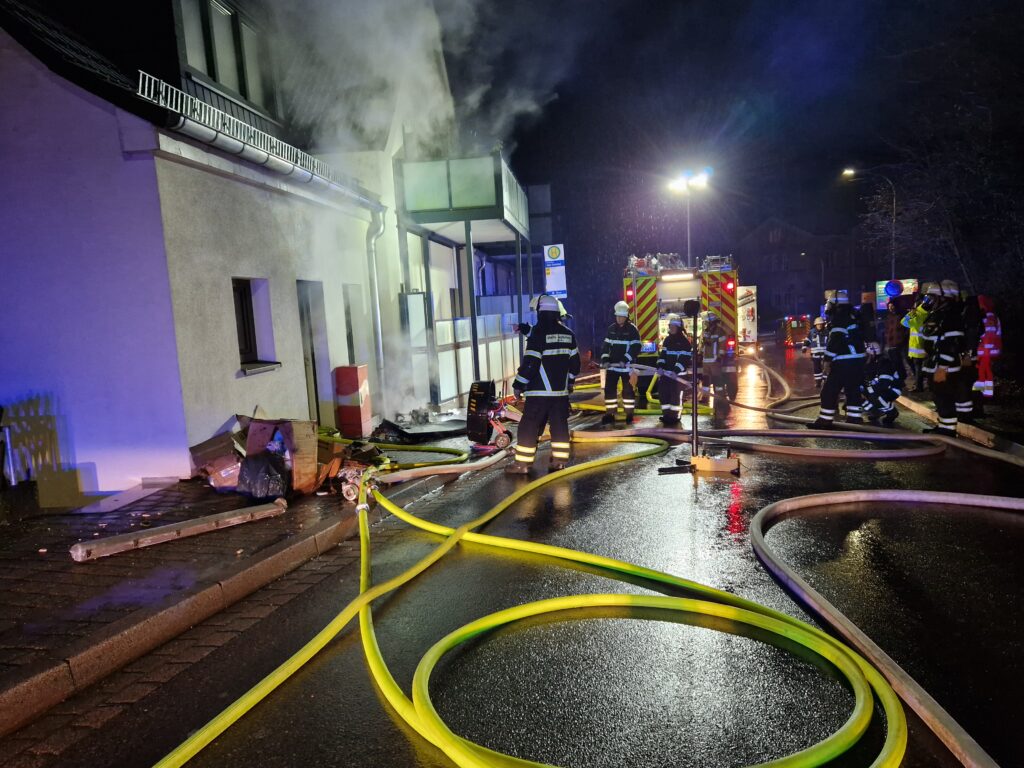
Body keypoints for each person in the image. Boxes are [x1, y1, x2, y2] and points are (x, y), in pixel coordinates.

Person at [507, 295, 580, 474]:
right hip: (560, 394)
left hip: (539, 394)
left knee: (529, 426)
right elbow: (575, 365)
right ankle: (559, 462)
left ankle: (522, 465)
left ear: (540, 312)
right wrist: (569, 382)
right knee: (560, 426)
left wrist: (518, 384)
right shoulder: (568, 334)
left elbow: (531, 364)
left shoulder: (538, 334)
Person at [808, 290, 867, 429]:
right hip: (857, 360)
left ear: (836, 304)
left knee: (829, 391)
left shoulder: (839, 318)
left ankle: (825, 420)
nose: (827, 306)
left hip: (844, 360)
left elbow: (835, 341)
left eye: (829, 303)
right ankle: (854, 418)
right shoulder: (852, 315)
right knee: (852, 390)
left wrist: (827, 360)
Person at [919, 279, 967, 437]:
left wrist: (942, 367)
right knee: (939, 398)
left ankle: (948, 431)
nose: (929, 301)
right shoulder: (939, 314)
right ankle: (944, 427)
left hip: (943, 367)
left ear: (942, 297)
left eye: (932, 297)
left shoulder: (950, 316)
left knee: (945, 398)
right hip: (935, 363)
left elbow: (951, 343)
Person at [600, 300, 641, 425]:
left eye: (621, 316)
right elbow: (606, 346)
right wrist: (605, 359)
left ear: (626, 316)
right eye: (617, 316)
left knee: (628, 391)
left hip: (626, 367)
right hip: (612, 367)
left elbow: (636, 347)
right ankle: (610, 413)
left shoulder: (632, 330)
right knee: (609, 390)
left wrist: (625, 359)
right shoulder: (611, 329)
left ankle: (629, 414)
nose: (618, 318)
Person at [655, 313, 691, 426]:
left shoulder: (685, 342)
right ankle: (667, 415)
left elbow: (683, 359)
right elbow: (663, 356)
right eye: (670, 326)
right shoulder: (667, 340)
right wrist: (660, 366)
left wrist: (675, 371)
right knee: (663, 394)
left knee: (676, 397)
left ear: (679, 328)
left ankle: (675, 417)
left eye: (674, 326)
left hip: (678, 376)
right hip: (666, 374)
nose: (671, 328)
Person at [861, 341, 901, 426]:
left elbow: (884, 384)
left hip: (893, 389)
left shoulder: (884, 363)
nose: (865, 356)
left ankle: (891, 412)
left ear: (873, 353)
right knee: (859, 390)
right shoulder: (872, 363)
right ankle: (875, 412)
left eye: (867, 354)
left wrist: (870, 389)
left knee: (873, 394)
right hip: (882, 388)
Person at [700, 312, 735, 406]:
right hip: (706, 360)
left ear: (711, 322)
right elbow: (704, 345)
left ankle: (720, 397)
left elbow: (722, 345)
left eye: (706, 322)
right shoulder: (706, 332)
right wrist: (700, 354)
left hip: (715, 361)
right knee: (705, 381)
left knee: (717, 380)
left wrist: (720, 357)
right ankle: (705, 397)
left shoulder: (719, 332)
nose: (705, 324)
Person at [902, 286, 933, 392]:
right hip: (926, 346)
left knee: (918, 368)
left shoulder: (918, 316)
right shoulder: (928, 314)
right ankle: (925, 384)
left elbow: (904, 322)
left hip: (917, 347)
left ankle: (919, 387)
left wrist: (912, 312)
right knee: (925, 367)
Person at [973, 294, 1001, 400]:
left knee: (982, 370)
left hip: (985, 350)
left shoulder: (986, 317)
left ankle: (982, 393)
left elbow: (987, 334)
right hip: (989, 350)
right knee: (985, 370)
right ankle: (985, 393)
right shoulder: (993, 317)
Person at [801, 316, 829, 389]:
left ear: (823, 324)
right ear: (815, 325)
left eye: (821, 324)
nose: (820, 325)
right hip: (815, 355)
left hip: (825, 354)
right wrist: (804, 347)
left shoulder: (827, 332)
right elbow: (807, 340)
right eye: (818, 324)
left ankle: (826, 381)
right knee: (817, 369)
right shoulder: (812, 332)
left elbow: (831, 341)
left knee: (826, 369)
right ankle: (818, 382)